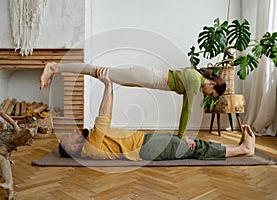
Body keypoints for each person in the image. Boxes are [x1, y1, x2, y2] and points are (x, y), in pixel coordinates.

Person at [58, 67, 254, 161]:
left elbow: (104, 118)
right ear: (75, 146)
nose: (72, 133)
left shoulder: (91, 139)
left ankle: (235, 147)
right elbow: (104, 116)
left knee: (186, 142)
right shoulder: (89, 148)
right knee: (194, 147)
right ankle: (243, 150)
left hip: (145, 140)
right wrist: (108, 83)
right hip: (145, 149)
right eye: (69, 137)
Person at [40, 61, 226, 139]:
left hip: (144, 79)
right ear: (212, 85)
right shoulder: (195, 80)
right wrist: (180, 136)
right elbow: (187, 109)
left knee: (101, 74)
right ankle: (55, 67)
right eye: (211, 94)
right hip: (144, 77)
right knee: (97, 72)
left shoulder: (194, 76)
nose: (207, 95)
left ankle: (56, 68)